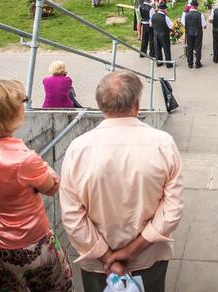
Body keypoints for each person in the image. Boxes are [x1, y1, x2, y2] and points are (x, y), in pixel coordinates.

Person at [60, 71, 183, 292]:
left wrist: (109, 257)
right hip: (149, 257)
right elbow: (172, 210)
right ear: (137, 104)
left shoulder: (78, 149)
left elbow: (72, 216)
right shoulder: (163, 144)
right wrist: (132, 250)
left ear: (100, 105)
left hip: (99, 264)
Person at [0, 80, 73, 291]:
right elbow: (52, 187)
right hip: (33, 244)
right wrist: (44, 166)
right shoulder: (25, 160)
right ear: (10, 114)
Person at [181, 0, 206, 69]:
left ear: (191, 6)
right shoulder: (200, 15)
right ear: (197, 6)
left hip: (189, 33)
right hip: (198, 33)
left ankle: (190, 63)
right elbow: (204, 25)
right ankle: (198, 63)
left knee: (190, 48)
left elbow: (183, 23)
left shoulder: (186, 15)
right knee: (198, 48)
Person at [151, 3, 174, 68]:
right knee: (166, 49)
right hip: (164, 34)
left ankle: (159, 63)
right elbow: (172, 26)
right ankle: (168, 64)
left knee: (157, 49)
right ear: (164, 9)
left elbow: (151, 24)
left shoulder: (153, 15)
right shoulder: (165, 17)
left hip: (155, 33)